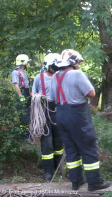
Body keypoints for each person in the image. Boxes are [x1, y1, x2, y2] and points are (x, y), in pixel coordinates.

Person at [49, 49, 110, 191]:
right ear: (73, 62)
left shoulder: (55, 76)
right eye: (78, 63)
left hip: (61, 115)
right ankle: (94, 183)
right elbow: (91, 93)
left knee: (71, 149)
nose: (79, 65)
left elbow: (51, 98)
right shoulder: (77, 74)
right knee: (88, 147)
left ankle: (76, 182)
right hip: (77, 115)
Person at [31, 53, 64, 181]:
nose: (56, 68)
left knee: (59, 141)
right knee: (47, 142)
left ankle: (58, 167)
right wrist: (38, 97)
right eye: (54, 65)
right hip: (43, 110)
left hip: (58, 110)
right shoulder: (39, 78)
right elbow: (33, 93)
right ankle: (48, 171)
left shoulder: (61, 77)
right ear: (48, 65)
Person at [11, 54, 31, 138]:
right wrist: (20, 96)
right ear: (24, 62)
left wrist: (30, 94)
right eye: (27, 62)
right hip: (21, 93)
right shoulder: (15, 72)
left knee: (27, 113)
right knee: (23, 114)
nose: (28, 64)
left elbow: (27, 85)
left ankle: (27, 132)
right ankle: (24, 136)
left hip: (26, 92)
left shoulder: (24, 72)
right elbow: (16, 85)